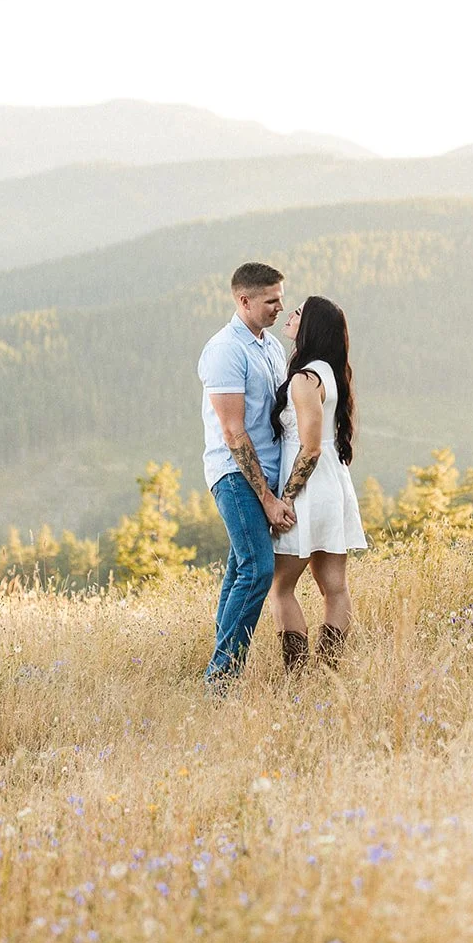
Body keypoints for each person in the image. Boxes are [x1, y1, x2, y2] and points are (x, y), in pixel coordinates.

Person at [197, 262, 296, 688]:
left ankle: (218, 670)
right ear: (244, 301)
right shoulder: (225, 350)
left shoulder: (271, 346)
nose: (280, 306)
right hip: (235, 473)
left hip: (268, 473)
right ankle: (220, 680)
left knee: (240, 570)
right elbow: (233, 431)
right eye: (271, 300)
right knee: (258, 569)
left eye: (280, 298)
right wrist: (269, 500)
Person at [266, 295, 367, 672]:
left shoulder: (304, 380)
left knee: (280, 588)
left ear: (310, 327)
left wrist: (286, 499)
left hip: (309, 489)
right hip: (334, 486)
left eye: (297, 313)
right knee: (334, 587)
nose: (289, 316)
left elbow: (309, 449)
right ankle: (328, 673)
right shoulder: (331, 372)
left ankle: (297, 675)